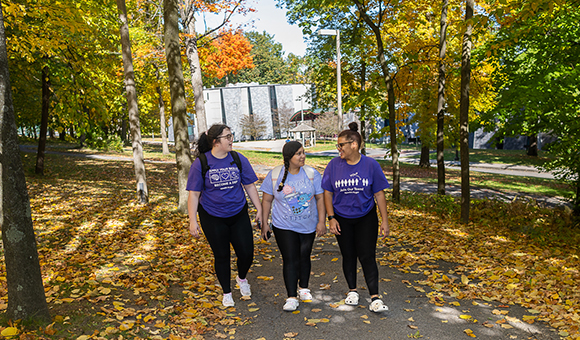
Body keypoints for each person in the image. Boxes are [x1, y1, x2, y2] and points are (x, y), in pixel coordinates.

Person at [186, 124, 262, 307]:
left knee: (246, 253)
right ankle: (227, 292)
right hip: (212, 216)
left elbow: (250, 186)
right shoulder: (201, 163)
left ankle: (241, 278)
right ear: (215, 142)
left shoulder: (237, 158)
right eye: (227, 137)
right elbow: (194, 194)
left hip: (238, 213)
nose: (231, 140)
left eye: (231, 135)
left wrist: (259, 209)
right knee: (221, 255)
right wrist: (192, 221)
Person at [321, 122, 390, 313]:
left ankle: (375, 298)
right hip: (342, 218)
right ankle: (352, 291)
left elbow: (379, 194)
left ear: (353, 144)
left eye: (341, 145)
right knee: (348, 255)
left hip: (366, 217)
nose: (338, 149)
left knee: (367, 256)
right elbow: (327, 193)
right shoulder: (334, 165)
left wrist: (385, 221)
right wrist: (331, 218)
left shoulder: (371, 165)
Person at [260, 141, 326, 311]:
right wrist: (264, 224)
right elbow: (267, 200)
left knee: (304, 256)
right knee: (290, 259)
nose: (302, 156)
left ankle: (304, 288)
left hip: (308, 224)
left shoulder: (312, 174)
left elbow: (320, 198)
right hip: (283, 225)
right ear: (289, 157)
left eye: (303, 152)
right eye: (298, 153)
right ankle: (291, 296)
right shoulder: (275, 174)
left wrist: (321, 221)